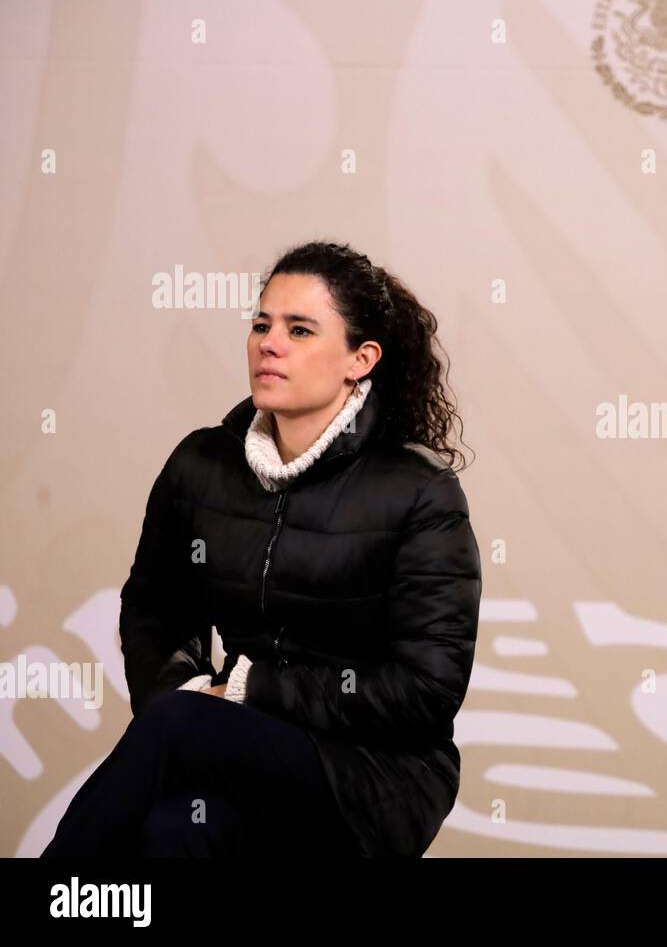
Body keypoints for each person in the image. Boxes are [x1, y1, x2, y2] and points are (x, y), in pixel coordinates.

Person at [43, 240, 481, 858]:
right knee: (174, 834)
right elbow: (154, 608)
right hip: (238, 738)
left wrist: (248, 689)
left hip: (375, 776)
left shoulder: (418, 492)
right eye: (261, 324)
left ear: (361, 358)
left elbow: (426, 692)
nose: (268, 343)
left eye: (300, 330)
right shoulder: (201, 464)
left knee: (179, 725)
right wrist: (186, 686)